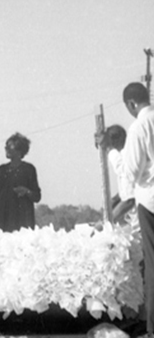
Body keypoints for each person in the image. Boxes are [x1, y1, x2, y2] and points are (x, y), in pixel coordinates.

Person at [98, 82, 154, 336]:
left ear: (131, 104)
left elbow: (131, 176)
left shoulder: (140, 127)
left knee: (151, 265)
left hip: (149, 201)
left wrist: (110, 217)